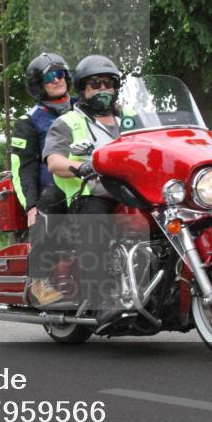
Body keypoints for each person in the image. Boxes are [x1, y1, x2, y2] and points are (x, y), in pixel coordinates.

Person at [34, 54, 129, 311]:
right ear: (83, 90)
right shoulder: (68, 122)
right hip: (91, 193)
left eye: (108, 84)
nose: (102, 89)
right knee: (95, 222)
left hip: (134, 192)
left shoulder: (130, 121)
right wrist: (81, 167)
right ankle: (101, 301)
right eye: (95, 84)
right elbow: (54, 161)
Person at [11, 52, 74, 303]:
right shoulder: (29, 121)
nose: (57, 80)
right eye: (50, 77)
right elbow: (22, 167)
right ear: (39, 84)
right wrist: (31, 204)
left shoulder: (85, 108)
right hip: (53, 186)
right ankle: (41, 281)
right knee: (45, 217)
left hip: (90, 182)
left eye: (60, 74)